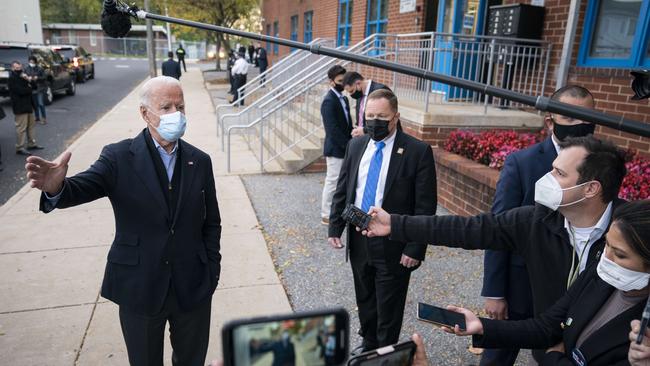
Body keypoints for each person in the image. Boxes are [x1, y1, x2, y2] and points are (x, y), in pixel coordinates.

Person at [363, 135, 627, 359]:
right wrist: (395, 225)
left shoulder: (633, 233)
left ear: (590, 188)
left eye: (559, 173)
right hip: (550, 351)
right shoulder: (536, 220)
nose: (547, 178)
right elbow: (470, 229)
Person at [25, 76, 222, 366]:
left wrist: (211, 270)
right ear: (145, 113)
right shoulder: (118, 157)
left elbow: (212, 222)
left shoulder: (199, 160)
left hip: (192, 286)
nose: (175, 115)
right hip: (139, 287)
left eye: (180, 106)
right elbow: (82, 187)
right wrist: (56, 187)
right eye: (165, 107)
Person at [439, 200, 650, 366]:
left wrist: (553, 359)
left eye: (620, 255)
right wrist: (481, 326)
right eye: (607, 245)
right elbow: (547, 326)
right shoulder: (599, 275)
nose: (606, 257)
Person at [480, 85, 596, 366]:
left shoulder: (600, 163)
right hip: (521, 286)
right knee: (497, 357)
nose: (579, 126)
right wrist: (495, 291)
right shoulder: (522, 163)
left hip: (571, 294)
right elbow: (498, 230)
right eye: (570, 118)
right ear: (550, 122)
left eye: (586, 118)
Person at [328, 89, 437, 353]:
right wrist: (335, 227)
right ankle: (368, 341)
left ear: (396, 116)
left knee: (389, 301)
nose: (375, 121)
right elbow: (344, 189)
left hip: (394, 241)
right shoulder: (356, 145)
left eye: (382, 117)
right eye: (370, 116)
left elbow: (425, 205)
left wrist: (415, 247)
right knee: (364, 294)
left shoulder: (417, 151)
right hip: (359, 235)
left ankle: (384, 351)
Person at [320, 65, 352, 225]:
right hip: (335, 149)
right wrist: (348, 146)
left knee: (342, 183)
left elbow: (346, 124)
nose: (343, 83)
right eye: (340, 81)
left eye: (344, 80)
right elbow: (332, 129)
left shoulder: (344, 98)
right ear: (331, 81)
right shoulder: (328, 101)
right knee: (332, 182)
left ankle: (339, 211)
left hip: (345, 146)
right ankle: (326, 214)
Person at [8, 60, 43, 156]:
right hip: (19, 107)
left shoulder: (24, 76)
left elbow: (34, 87)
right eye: (16, 68)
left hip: (28, 105)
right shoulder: (12, 78)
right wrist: (29, 89)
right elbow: (21, 91)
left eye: (20, 68)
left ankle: (32, 143)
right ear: (12, 68)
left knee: (31, 126)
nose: (18, 69)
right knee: (21, 128)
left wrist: (29, 80)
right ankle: (20, 147)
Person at [342, 72, 390, 138]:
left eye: (352, 91)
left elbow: (383, 120)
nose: (351, 95)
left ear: (358, 83)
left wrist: (364, 130)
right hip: (365, 138)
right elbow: (360, 118)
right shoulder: (360, 94)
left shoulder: (380, 90)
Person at [25, 55, 47, 125]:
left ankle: (44, 118)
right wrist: (27, 78)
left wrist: (37, 78)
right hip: (31, 88)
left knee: (40, 103)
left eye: (33, 62)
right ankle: (37, 117)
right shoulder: (26, 68)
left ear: (35, 61)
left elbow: (44, 77)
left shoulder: (40, 69)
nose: (31, 63)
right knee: (35, 104)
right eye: (30, 61)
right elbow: (24, 76)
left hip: (39, 88)